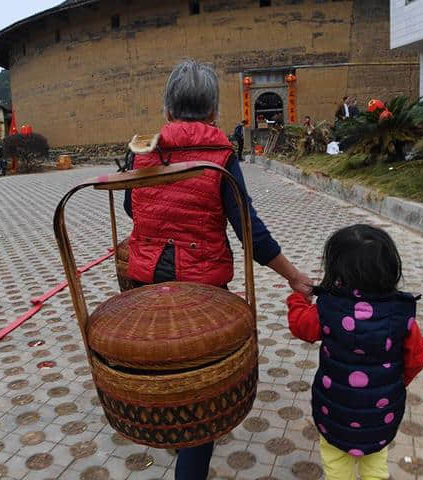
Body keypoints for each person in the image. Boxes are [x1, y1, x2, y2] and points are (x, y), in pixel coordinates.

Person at [123, 59, 312, 480]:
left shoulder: (143, 148)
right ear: (213, 112)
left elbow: (129, 206)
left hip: (145, 283)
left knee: (168, 371)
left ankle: (174, 434)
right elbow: (250, 231)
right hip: (201, 290)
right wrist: (294, 276)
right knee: (200, 395)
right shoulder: (222, 156)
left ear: (168, 109)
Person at [286, 224, 423, 480]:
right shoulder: (401, 314)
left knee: (337, 465)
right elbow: (417, 357)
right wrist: (398, 382)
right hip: (381, 414)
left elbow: (301, 327)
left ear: (337, 269)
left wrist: (297, 299)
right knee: (375, 464)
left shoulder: (328, 308)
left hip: (334, 412)